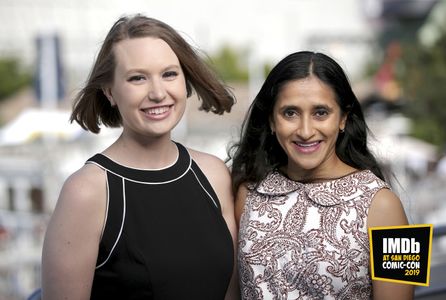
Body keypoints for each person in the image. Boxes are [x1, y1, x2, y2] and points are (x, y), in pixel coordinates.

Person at [42, 14, 239, 300]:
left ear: (185, 81)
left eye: (169, 74)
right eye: (137, 78)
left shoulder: (214, 173)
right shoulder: (86, 192)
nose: (158, 93)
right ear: (109, 91)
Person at [229, 51, 413, 299]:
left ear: (343, 118)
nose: (305, 131)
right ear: (272, 120)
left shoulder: (388, 205)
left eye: (321, 112)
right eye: (290, 113)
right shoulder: (247, 194)